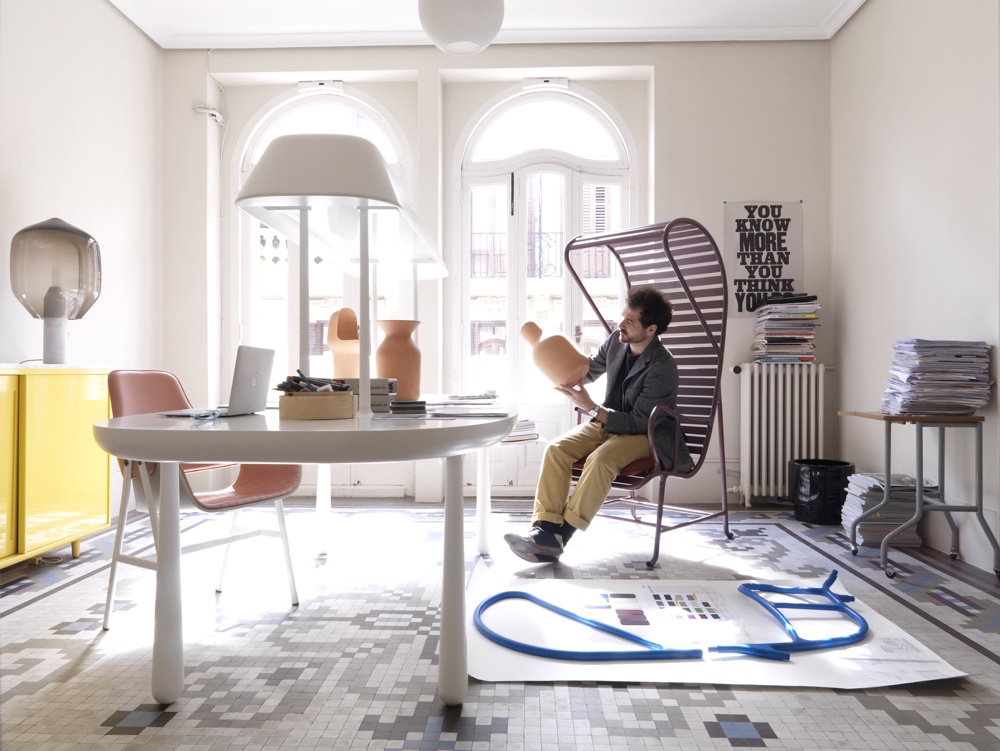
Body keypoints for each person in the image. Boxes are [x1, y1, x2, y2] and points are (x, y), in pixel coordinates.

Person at [504, 285, 693, 563]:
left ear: (651, 329)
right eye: (623, 316)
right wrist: (560, 368)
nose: (621, 324)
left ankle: (560, 537)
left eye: (630, 321)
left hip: (648, 432)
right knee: (556, 449)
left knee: (601, 459)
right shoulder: (618, 342)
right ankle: (545, 531)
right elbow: (589, 369)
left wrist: (592, 408)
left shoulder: (663, 366)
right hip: (610, 421)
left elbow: (641, 421)